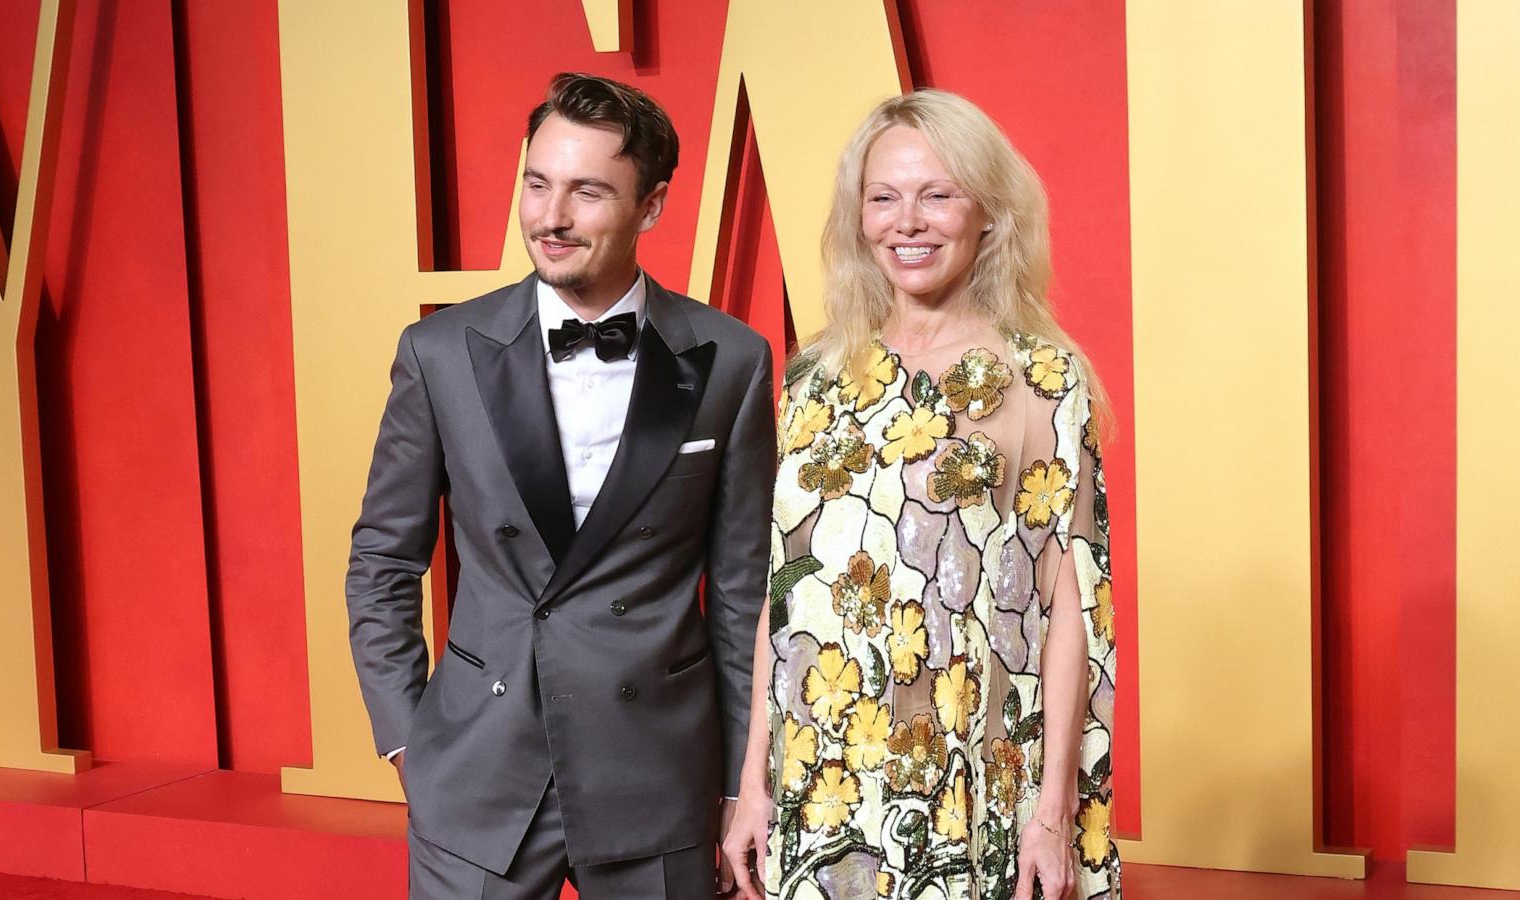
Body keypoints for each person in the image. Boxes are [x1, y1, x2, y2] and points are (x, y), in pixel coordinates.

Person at [345, 72, 774, 899]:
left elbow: (743, 596)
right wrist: (407, 738)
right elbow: (383, 561)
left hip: (655, 772)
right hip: (477, 768)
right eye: (537, 184)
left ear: (650, 207)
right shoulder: (440, 352)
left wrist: (738, 781)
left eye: (587, 192)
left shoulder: (732, 361)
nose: (550, 217)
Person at [722, 90, 1122, 900]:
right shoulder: (815, 378)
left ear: (988, 212)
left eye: (937, 194)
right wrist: (753, 784)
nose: (908, 221)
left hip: (967, 790)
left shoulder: (1041, 380)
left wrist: (1050, 813)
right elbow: (782, 592)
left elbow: (1071, 608)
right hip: (819, 782)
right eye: (884, 197)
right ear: (859, 217)